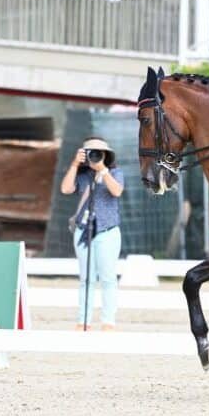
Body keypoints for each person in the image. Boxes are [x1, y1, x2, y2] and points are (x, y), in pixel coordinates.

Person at [60, 137, 125, 331]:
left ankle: (108, 322)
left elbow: (117, 191)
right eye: (91, 152)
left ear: (106, 155)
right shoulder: (82, 175)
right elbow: (65, 189)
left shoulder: (115, 172)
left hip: (107, 231)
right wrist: (74, 164)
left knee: (108, 278)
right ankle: (83, 321)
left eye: (99, 152)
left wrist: (102, 171)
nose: (95, 156)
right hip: (84, 230)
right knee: (86, 279)